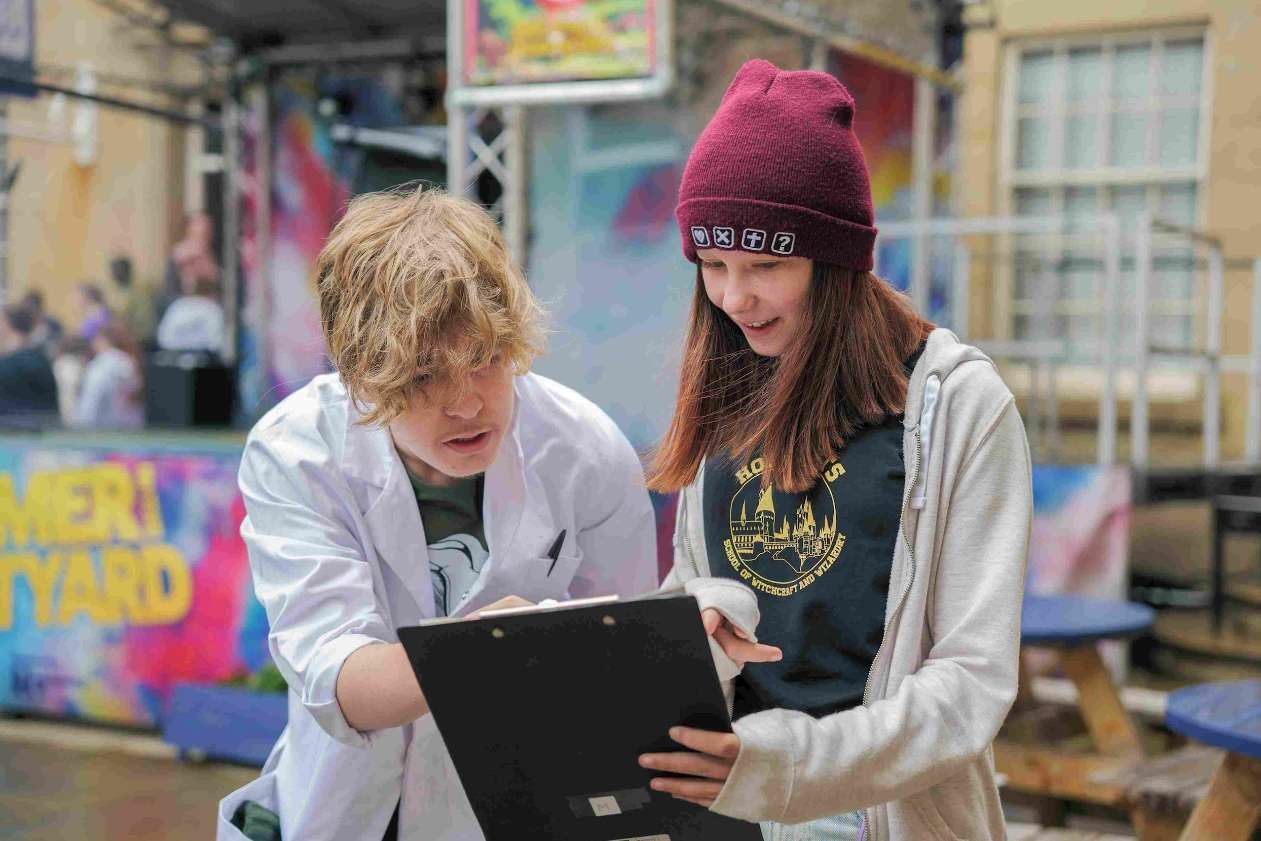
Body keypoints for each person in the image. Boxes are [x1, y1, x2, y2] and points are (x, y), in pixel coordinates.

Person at [637, 60, 1032, 841]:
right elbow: (693, 584)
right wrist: (700, 619)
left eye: (766, 265)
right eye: (711, 266)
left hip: (872, 815)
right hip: (722, 801)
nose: (734, 297)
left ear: (839, 260)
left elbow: (971, 683)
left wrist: (789, 765)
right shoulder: (725, 377)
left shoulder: (958, 404)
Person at [217, 185, 660, 841]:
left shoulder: (585, 453)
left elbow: (632, 679)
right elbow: (339, 680)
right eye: (424, 374)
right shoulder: (298, 452)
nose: (465, 403)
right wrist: (489, 653)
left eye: (484, 360)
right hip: (348, 811)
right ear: (359, 373)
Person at [73, 322, 144, 430]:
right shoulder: (128, 360)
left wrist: (82, 424)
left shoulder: (102, 363)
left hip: (103, 429)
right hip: (132, 428)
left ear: (103, 340)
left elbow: (92, 399)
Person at [0, 301, 60, 428]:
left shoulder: (9, 366)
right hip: (41, 438)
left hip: (14, 437)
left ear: (6, 324)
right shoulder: (41, 360)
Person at [156, 274, 225, 354]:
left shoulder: (178, 306)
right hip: (204, 360)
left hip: (180, 358)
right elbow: (217, 342)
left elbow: (164, 339)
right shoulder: (178, 306)